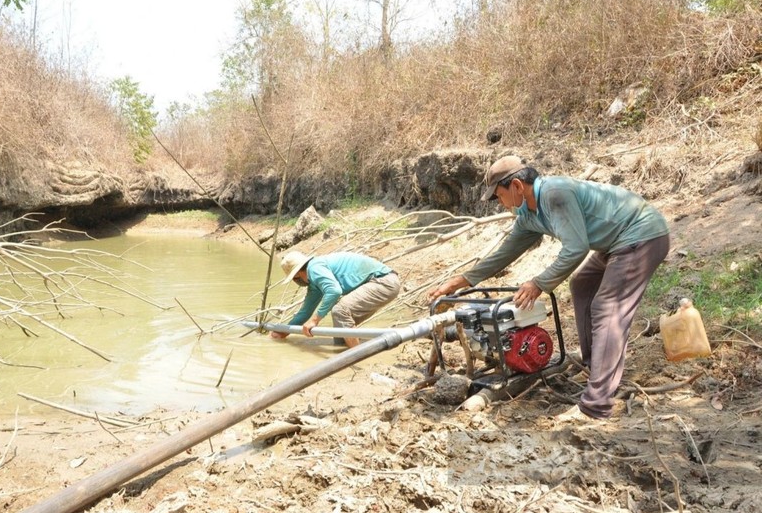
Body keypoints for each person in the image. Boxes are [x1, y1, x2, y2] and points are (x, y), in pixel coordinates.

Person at [427, 155, 670, 421]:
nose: (500, 204)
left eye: (499, 196)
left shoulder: (555, 194)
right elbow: (506, 253)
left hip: (641, 235)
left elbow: (575, 249)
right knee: (582, 284)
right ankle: (593, 364)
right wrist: (463, 280)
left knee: (607, 307)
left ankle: (596, 404)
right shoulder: (528, 213)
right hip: (615, 242)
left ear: (517, 186)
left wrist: (539, 283)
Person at [272, 251, 401, 348]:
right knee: (340, 336)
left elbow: (334, 291)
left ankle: (358, 357)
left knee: (340, 310)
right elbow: (305, 312)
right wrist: (284, 331)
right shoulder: (314, 283)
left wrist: (315, 320)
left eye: (295, 279)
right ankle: (349, 355)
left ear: (297, 274)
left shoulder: (314, 268)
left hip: (383, 282)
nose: (297, 282)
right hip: (380, 283)